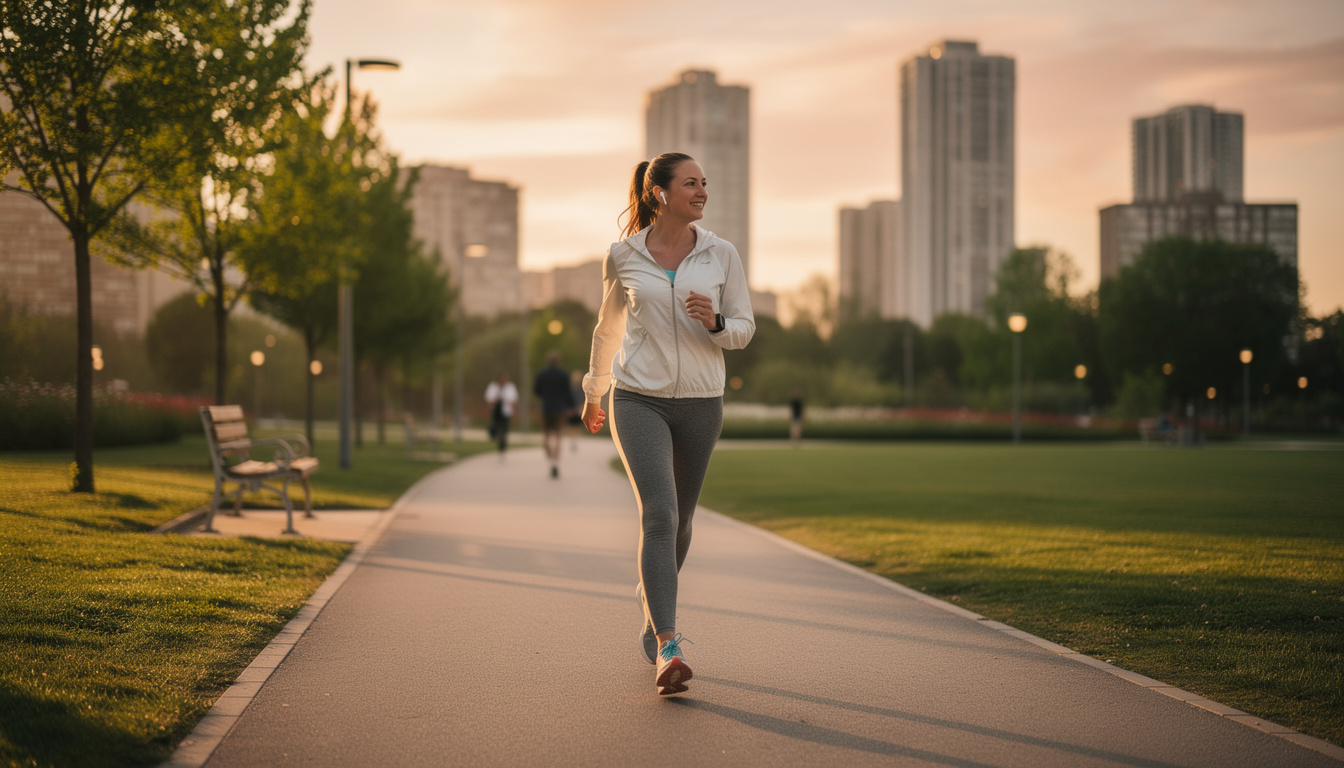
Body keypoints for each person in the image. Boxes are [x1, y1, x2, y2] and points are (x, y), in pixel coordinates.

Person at [580, 152, 755, 696]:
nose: (701, 192)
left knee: (681, 523)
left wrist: (717, 322)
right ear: (659, 193)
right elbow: (608, 331)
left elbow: (745, 329)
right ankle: (669, 645)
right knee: (660, 513)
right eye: (689, 183)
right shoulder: (624, 255)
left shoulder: (720, 253)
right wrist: (594, 391)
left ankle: (652, 603)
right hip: (639, 399)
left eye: (705, 182)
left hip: (702, 402)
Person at [533, 350, 576, 478]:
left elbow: (536, 390)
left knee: (546, 436)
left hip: (546, 407)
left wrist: (546, 395)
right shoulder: (563, 374)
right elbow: (568, 392)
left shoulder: (542, 374)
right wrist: (571, 407)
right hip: (559, 408)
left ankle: (549, 458)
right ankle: (555, 463)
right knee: (558, 436)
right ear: (559, 361)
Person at [484, 372, 518, 458]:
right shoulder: (493, 387)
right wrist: (497, 399)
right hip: (495, 412)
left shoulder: (510, 387)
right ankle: (498, 441)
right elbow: (488, 399)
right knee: (496, 429)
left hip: (506, 412)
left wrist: (506, 400)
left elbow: (514, 400)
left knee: (504, 431)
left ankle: (502, 448)